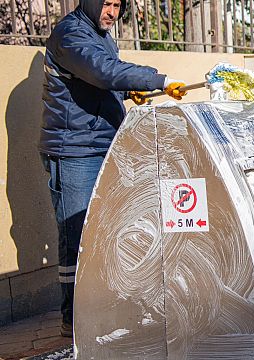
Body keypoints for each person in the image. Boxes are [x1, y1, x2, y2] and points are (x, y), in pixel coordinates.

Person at [40, 0, 187, 337]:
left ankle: (107, 306)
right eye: (105, 3)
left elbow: (106, 77)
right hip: (74, 151)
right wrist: (158, 80)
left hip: (103, 145)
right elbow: (102, 71)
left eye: (117, 5)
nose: (111, 12)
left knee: (108, 231)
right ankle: (73, 317)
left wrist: (128, 89)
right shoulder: (69, 34)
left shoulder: (100, 34)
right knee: (76, 234)